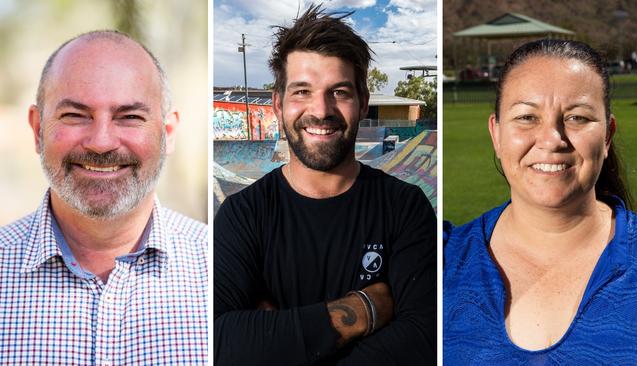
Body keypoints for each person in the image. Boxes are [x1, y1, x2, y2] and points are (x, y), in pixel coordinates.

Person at [214, 5, 436, 365]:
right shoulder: (243, 215)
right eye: (302, 91)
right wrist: (363, 309)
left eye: (340, 92)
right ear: (277, 104)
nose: (321, 109)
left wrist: (274, 338)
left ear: (363, 103)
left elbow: (424, 339)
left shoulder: (404, 208)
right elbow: (220, 342)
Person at [0, 30, 208, 364]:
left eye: (129, 117)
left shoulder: (214, 265)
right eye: (75, 115)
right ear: (38, 129)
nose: (101, 142)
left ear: (167, 134)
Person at [444, 39, 637, 364]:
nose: (552, 139)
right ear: (496, 134)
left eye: (577, 118)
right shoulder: (439, 261)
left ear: (607, 136)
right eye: (527, 117)